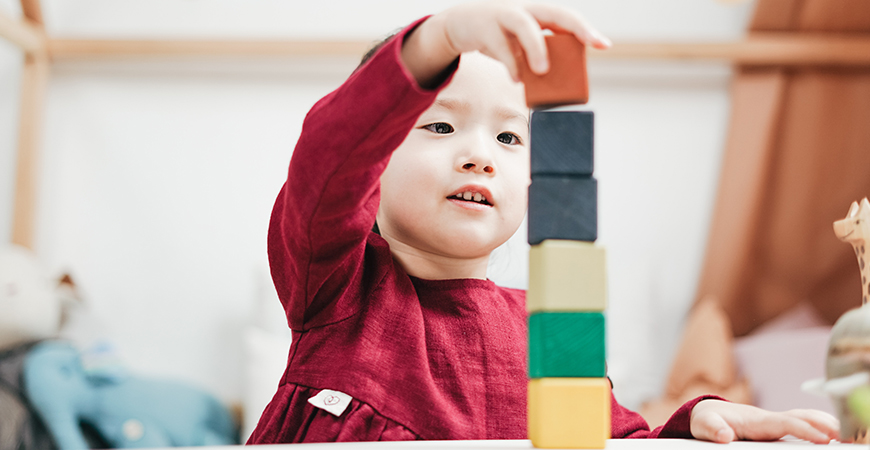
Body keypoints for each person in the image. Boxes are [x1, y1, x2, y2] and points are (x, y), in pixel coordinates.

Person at [247, 1, 840, 444]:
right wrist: (442, 38)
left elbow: (609, 438)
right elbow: (329, 157)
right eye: (440, 126)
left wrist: (688, 428)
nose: (479, 155)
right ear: (373, 163)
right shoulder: (335, 290)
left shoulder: (550, 328)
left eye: (508, 136)